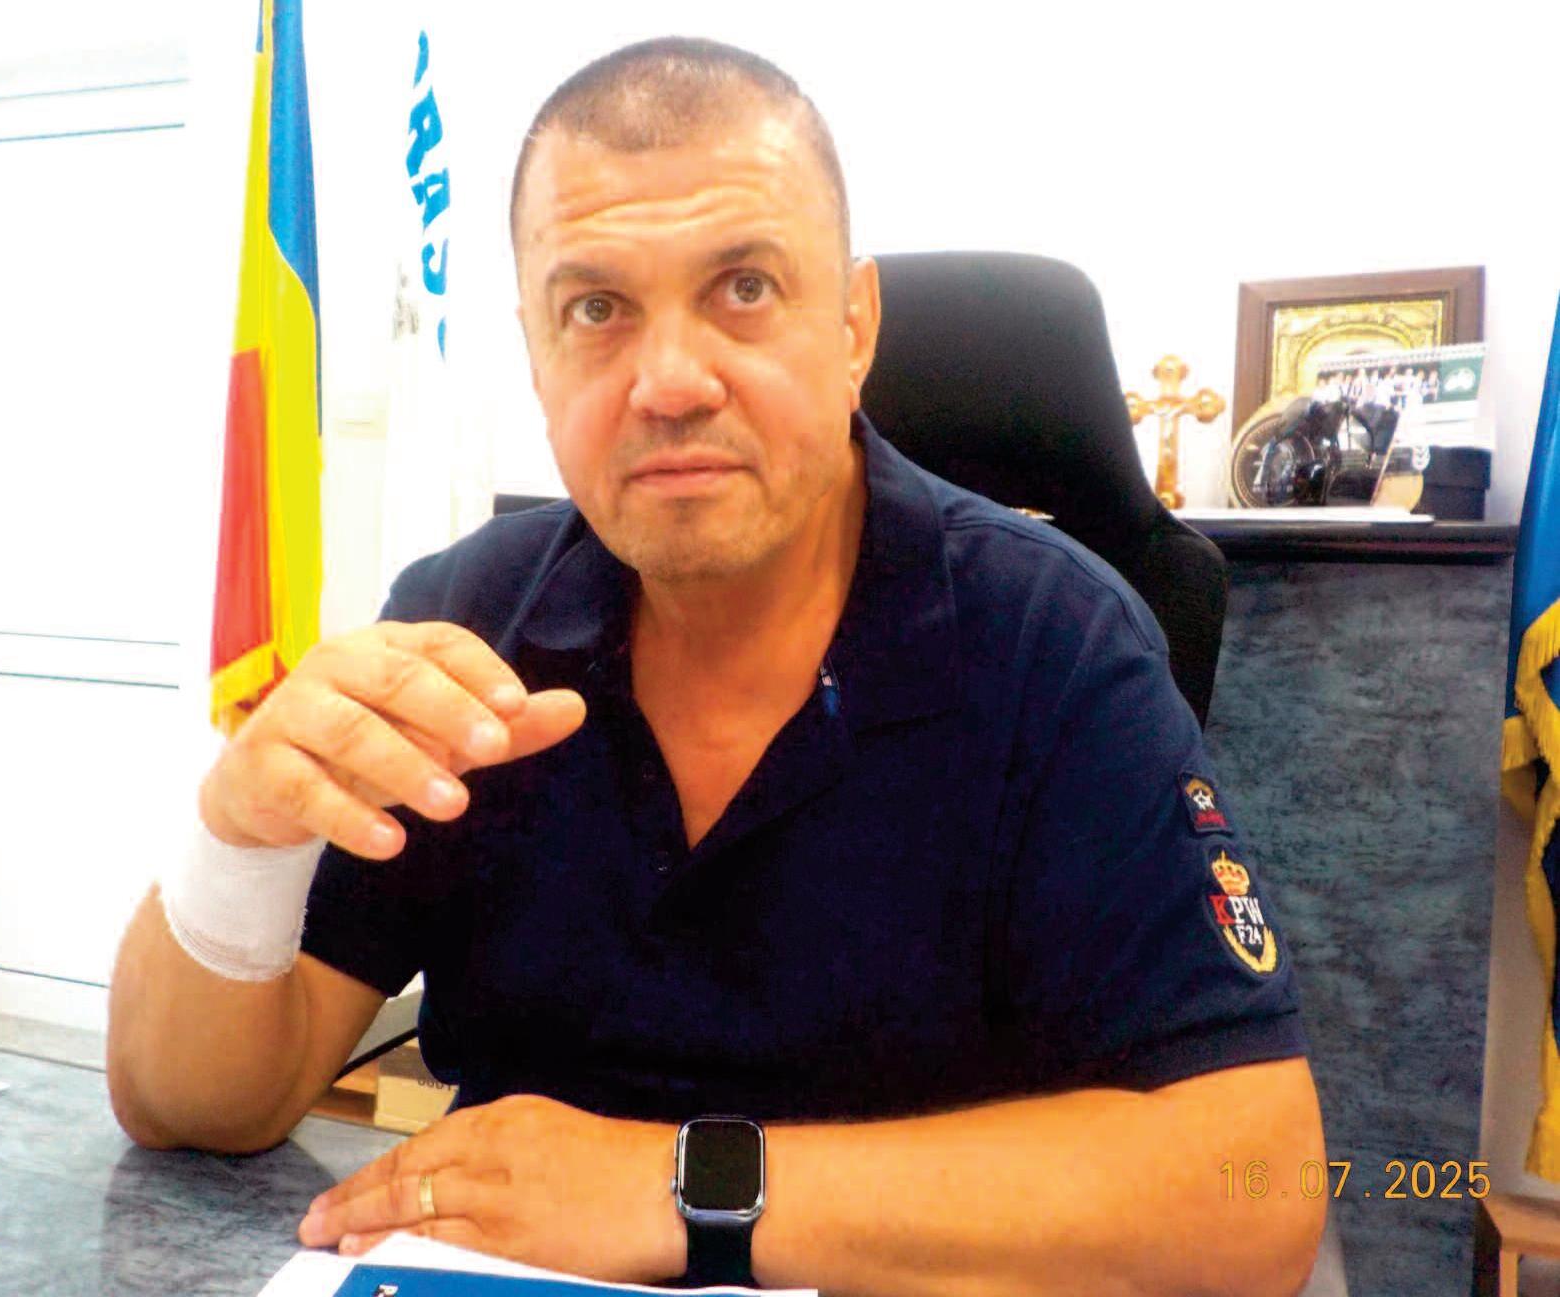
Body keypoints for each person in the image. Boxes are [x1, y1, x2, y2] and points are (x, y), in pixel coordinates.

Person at [108, 36, 1325, 1296]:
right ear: (535, 353)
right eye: (596, 309)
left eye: (744, 287)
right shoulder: (463, 625)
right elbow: (189, 1105)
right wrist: (238, 839)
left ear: (851, 327)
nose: (670, 383)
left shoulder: (1051, 641)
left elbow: (1257, 1193)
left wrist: (677, 1184)